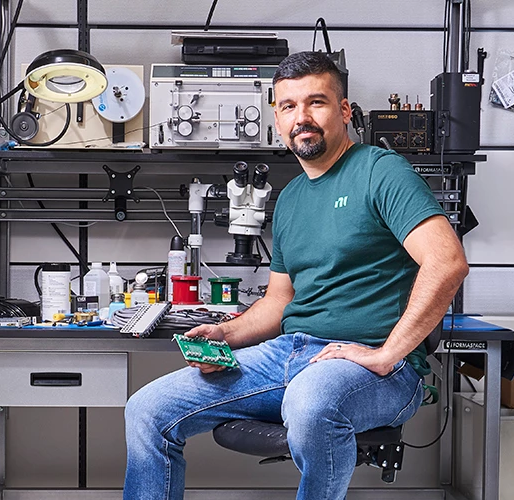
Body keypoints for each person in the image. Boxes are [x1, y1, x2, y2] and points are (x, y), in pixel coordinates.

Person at [123, 51, 469, 500]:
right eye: (288, 107)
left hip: (378, 369)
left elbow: (447, 262)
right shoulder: (289, 199)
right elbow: (278, 302)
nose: (301, 117)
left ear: (344, 111)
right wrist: (224, 335)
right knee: (146, 410)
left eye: (316, 103)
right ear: (277, 118)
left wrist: (386, 354)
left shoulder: (381, 173)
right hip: (287, 355)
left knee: (311, 402)